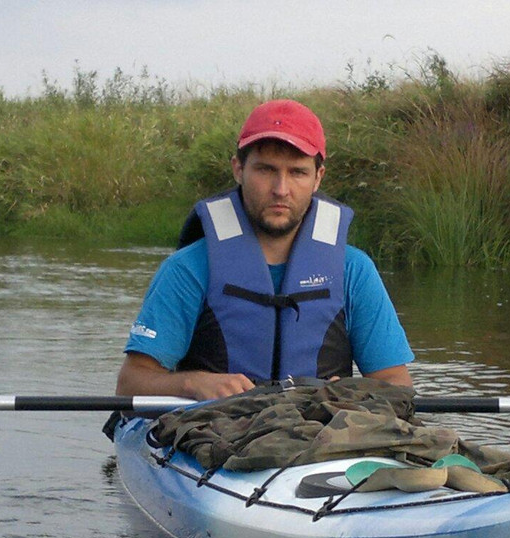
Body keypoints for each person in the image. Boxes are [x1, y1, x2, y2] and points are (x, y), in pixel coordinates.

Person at [116, 98, 414, 399]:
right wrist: (192, 384)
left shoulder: (354, 270)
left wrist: (355, 393)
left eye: (297, 172)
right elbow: (131, 382)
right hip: (215, 433)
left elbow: (396, 382)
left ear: (317, 178)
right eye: (265, 170)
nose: (281, 189)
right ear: (238, 169)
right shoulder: (187, 269)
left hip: (321, 436)